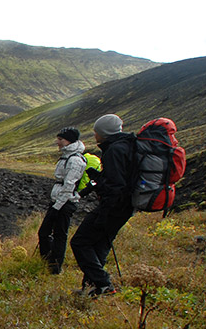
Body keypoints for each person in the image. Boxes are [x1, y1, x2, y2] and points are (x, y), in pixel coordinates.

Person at [70, 114, 137, 298]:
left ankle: (103, 284)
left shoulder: (115, 150)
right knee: (100, 244)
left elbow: (116, 186)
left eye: (96, 132)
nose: (95, 135)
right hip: (124, 207)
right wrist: (99, 179)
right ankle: (93, 288)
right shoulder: (125, 146)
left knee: (80, 241)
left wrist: (104, 212)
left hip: (114, 207)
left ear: (104, 133)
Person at [38, 127, 86, 274]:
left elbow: (69, 186)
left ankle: (54, 266)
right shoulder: (66, 156)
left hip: (65, 203)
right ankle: (49, 261)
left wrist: (57, 206)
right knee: (45, 232)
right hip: (59, 202)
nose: (57, 142)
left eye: (60, 139)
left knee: (59, 234)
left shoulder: (75, 160)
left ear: (69, 141)